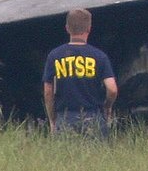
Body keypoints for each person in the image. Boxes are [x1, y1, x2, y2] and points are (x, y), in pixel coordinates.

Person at [42, 8, 118, 138]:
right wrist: (107, 107)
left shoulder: (54, 56)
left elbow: (48, 91)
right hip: (94, 117)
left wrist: (52, 119)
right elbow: (112, 89)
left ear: (67, 28)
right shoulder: (100, 56)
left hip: (65, 118)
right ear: (89, 29)